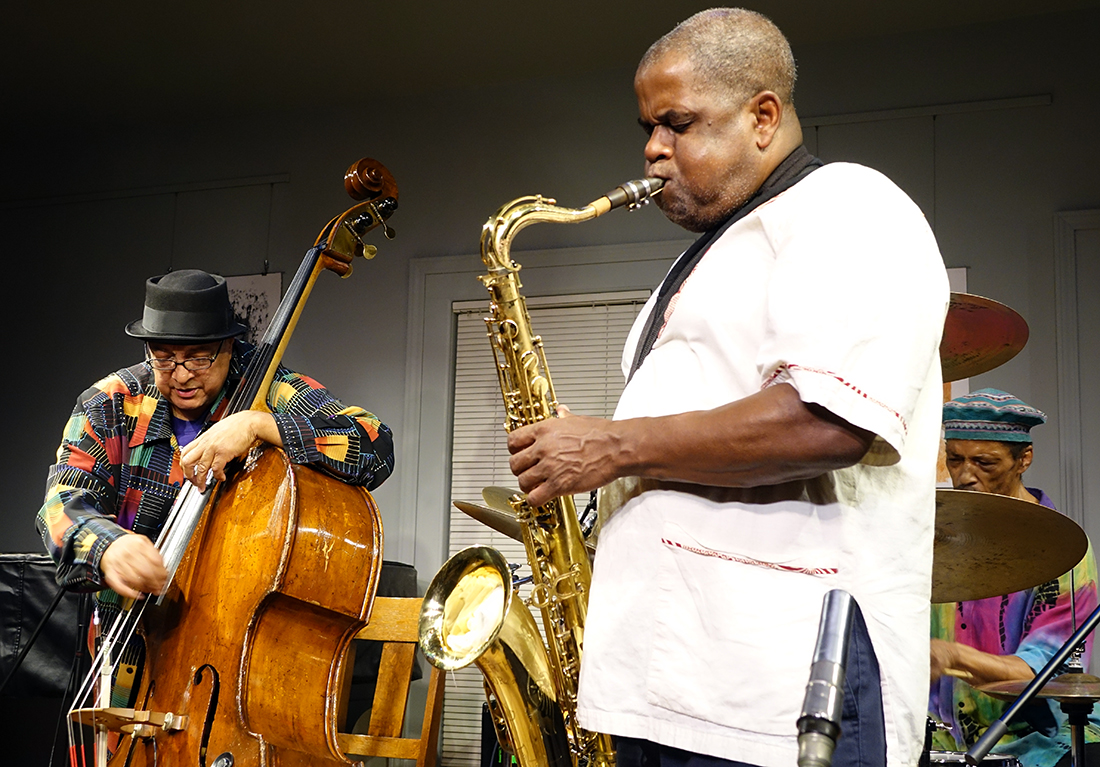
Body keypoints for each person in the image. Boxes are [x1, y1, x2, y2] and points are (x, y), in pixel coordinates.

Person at [506, 8, 948, 767]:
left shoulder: (849, 205)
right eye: (648, 126)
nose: (652, 149)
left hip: (780, 697)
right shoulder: (715, 256)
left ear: (763, 117)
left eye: (677, 122)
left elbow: (825, 421)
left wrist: (611, 446)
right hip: (674, 687)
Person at [36, 268, 395, 602]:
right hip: (124, 642)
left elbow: (375, 444)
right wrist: (108, 546)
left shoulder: (269, 388)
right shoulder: (109, 403)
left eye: (198, 358)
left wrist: (257, 425)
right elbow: (60, 504)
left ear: (228, 347)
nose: (180, 376)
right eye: (164, 358)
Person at [929, 388, 1100, 767]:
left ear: (1024, 459)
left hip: (1033, 744)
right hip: (940, 742)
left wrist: (952, 654)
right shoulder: (936, 538)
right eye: (955, 460)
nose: (965, 476)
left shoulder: (1063, 552)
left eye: (985, 463)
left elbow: (1042, 671)